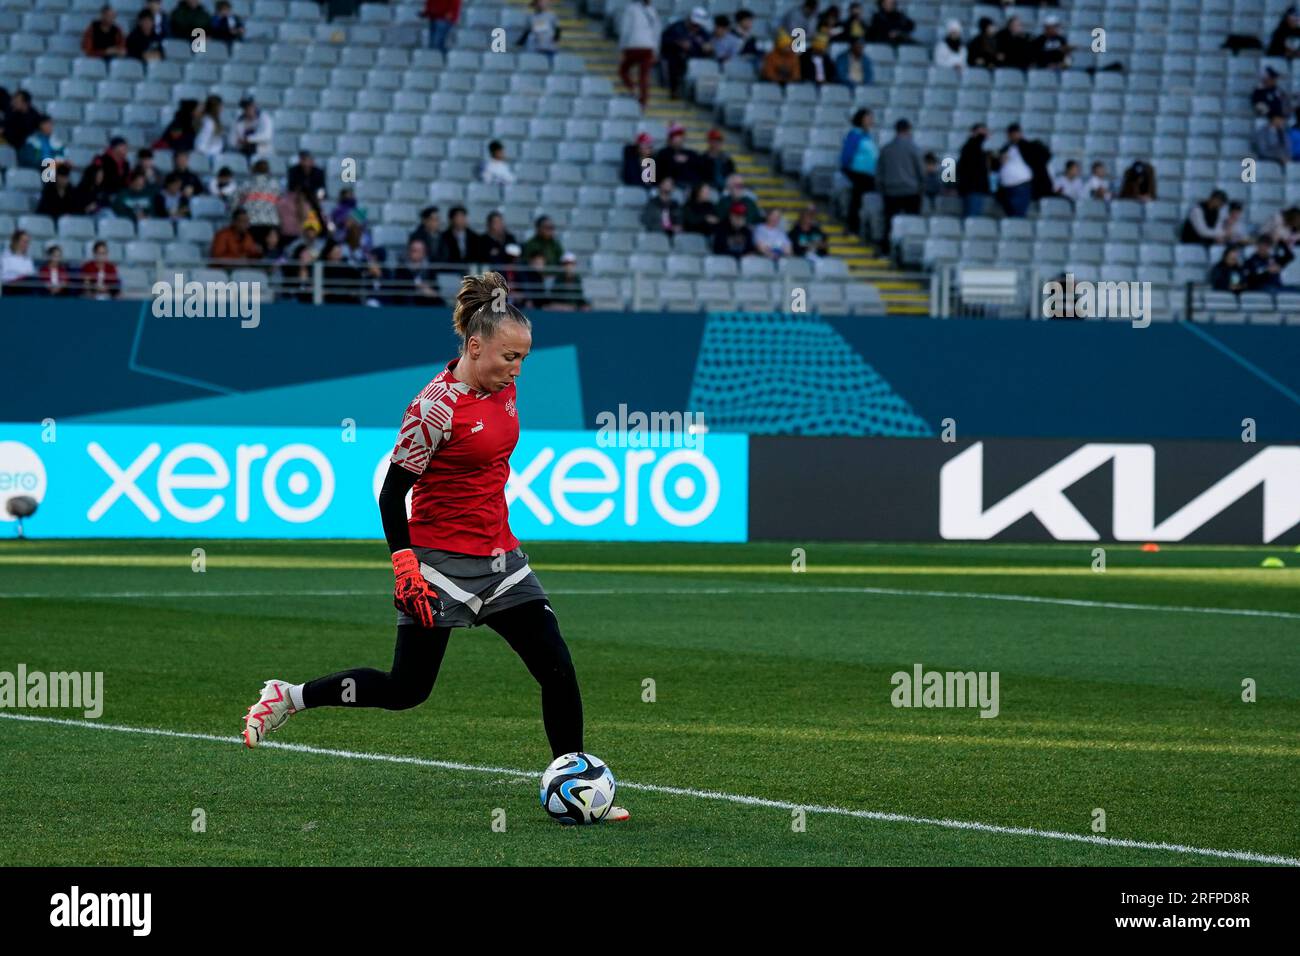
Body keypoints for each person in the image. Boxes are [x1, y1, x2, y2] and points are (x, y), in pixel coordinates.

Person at [239, 273, 630, 826]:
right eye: (509, 356)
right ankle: (290, 696)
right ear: (475, 346)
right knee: (406, 690)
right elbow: (392, 490)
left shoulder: (504, 389)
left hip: (501, 561)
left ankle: (577, 788)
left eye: (524, 357)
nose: (517, 368)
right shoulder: (432, 409)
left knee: (557, 667)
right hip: (438, 564)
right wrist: (406, 566)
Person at [876, 118, 924, 245]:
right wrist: (922, 185)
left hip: (891, 191)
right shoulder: (913, 148)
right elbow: (921, 170)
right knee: (912, 223)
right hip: (911, 191)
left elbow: (879, 172)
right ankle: (908, 246)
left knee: (889, 223)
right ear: (908, 130)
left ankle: (886, 249)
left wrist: (882, 188)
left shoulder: (886, 149)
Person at [840, 108, 878, 235]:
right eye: (868, 118)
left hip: (869, 174)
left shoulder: (867, 136)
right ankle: (852, 226)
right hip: (858, 174)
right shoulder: (855, 135)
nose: (871, 121)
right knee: (857, 199)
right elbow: (846, 156)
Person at [619, 0, 661, 109]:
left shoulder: (631, 8)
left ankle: (633, 88)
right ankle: (644, 101)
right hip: (649, 46)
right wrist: (656, 50)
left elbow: (625, 29)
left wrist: (622, 47)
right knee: (644, 76)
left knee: (623, 70)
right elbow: (657, 32)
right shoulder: (652, 11)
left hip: (633, 45)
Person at [956, 123, 991, 218]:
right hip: (972, 189)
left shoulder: (978, 149)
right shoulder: (970, 147)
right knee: (972, 218)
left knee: (976, 218)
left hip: (977, 189)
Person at [0, 230, 37, 296]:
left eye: (27, 242)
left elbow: (31, 274)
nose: (26, 244)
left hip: (26, 285)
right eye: (24, 241)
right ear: (16, 241)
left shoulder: (28, 259)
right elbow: (3, 277)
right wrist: (19, 278)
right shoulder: (4, 257)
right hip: (10, 286)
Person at [193, 94, 225, 159]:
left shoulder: (214, 121)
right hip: (207, 157)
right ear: (215, 107)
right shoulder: (208, 122)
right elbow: (200, 146)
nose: (222, 108)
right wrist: (209, 154)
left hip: (214, 155)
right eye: (220, 106)